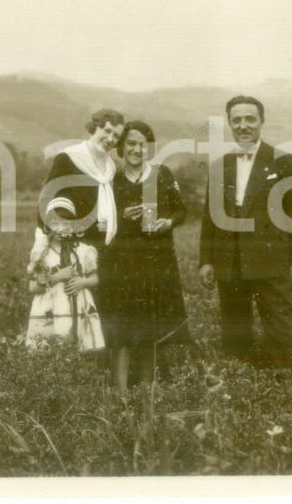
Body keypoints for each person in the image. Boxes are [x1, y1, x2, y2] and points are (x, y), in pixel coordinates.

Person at [198, 95, 292, 368]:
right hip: (230, 260)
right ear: (230, 124)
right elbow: (209, 218)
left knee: (280, 326)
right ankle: (241, 381)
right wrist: (206, 260)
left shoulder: (282, 161)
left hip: (271, 259)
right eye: (236, 120)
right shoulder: (219, 166)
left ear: (261, 122)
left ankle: (284, 382)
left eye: (250, 119)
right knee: (235, 328)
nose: (243, 125)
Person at [102, 121, 192, 391]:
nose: (136, 149)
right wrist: (121, 216)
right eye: (131, 143)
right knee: (123, 327)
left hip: (157, 262)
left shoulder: (162, 174)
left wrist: (167, 222)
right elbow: (103, 220)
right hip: (124, 264)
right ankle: (120, 392)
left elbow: (181, 211)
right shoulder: (112, 180)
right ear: (121, 147)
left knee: (152, 326)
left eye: (142, 144)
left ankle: (148, 388)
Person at [38, 108, 125, 252]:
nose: (110, 139)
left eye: (116, 136)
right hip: (74, 244)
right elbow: (47, 198)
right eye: (107, 131)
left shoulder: (111, 167)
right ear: (95, 127)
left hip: (104, 245)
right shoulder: (69, 157)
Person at [24, 198, 105, 352]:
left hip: (79, 305)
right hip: (49, 307)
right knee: (49, 349)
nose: (61, 229)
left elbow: (95, 279)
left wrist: (82, 282)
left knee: (79, 348)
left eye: (66, 224)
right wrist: (56, 277)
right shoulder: (42, 255)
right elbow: (33, 287)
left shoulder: (83, 250)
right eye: (55, 224)